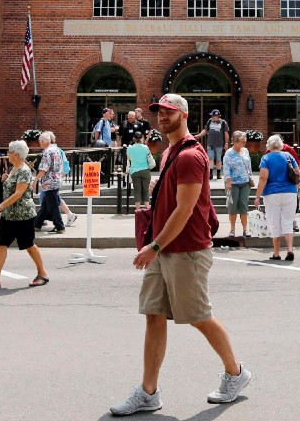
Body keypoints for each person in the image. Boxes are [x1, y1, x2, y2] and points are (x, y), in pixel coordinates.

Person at [110, 93, 249, 416]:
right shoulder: (170, 151)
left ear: (184, 116)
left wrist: (154, 246)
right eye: (159, 111)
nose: (162, 116)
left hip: (185, 249)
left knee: (198, 316)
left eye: (169, 112)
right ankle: (148, 392)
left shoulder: (190, 156)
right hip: (163, 247)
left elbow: (186, 209)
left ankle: (236, 373)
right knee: (154, 315)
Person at [0, 140, 49, 290]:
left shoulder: (24, 170)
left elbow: (18, 194)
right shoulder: (13, 168)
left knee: (29, 245)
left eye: (9, 152)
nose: (7, 154)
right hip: (9, 215)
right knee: (1, 245)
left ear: (16, 154)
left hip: (23, 215)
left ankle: (42, 273)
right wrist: (4, 180)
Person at [256, 134, 300, 261]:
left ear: (269, 145)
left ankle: (276, 253)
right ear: (280, 144)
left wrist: (258, 195)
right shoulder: (288, 156)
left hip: (272, 193)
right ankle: (290, 250)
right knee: (288, 221)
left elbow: (263, 178)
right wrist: (296, 187)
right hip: (290, 192)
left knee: (274, 222)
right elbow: (298, 173)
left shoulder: (266, 158)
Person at [33, 131, 68, 234]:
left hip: (49, 182)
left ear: (44, 141)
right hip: (56, 180)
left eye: (40, 141)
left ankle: (60, 226)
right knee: (46, 204)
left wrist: (35, 180)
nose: (40, 143)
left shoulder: (47, 152)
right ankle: (37, 224)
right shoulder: (56, 150)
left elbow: (44, 169)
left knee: (52, 205)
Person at [222, 131, 251, 237]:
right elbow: (226, 168)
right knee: (232, 206)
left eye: (245, 142)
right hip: (233, 183)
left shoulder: (245, 151)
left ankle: (245, 229)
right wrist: (228, 181)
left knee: (244, 205)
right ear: (235, 142)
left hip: (245, 182)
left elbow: (249, 165)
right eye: (243, 142)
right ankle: (232, 229)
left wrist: (250, 178)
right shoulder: (229, 153)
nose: (244, 144)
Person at [196, 110, 230, 180]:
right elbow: (205, 130)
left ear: (217, 116)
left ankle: (218, 174)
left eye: (213, 115)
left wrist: (226, 143)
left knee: (218, 159)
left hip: (219, 144)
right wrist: (198, 136)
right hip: (210, 143)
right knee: (210, 158)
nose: (212, 117)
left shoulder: (223, 122)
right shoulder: (210, 121)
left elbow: (226, 133)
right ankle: (210, 174)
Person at [127, 131, 156, 213]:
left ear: (134, 139)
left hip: (134, 171)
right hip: (145, 170)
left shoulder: (129, 148)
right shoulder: (145, 148)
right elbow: (149, 157)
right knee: (146, 190)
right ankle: (147, 207)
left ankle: (138, 209)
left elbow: (129, 158)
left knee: (137, 190)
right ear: (142, 138)